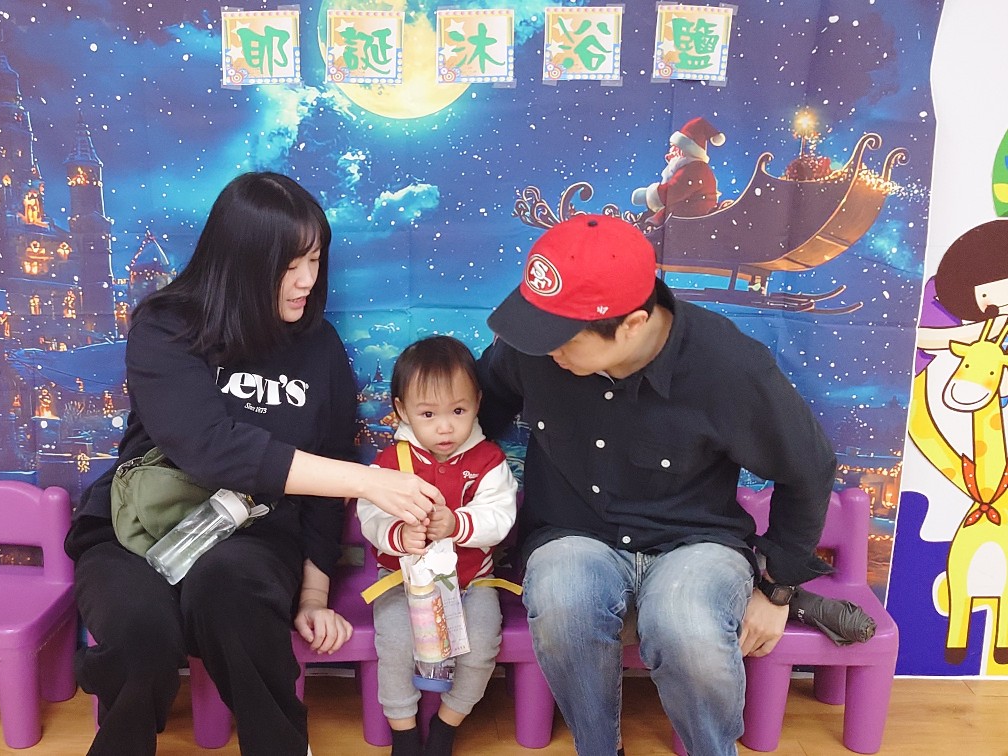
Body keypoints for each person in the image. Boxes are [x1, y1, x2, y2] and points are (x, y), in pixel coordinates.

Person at [67, 171, 445, 756]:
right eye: (289, 266)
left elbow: (327, 471)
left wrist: (314, 595)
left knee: (231, 592)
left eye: (314, 260)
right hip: (136, 527)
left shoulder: (319, 347)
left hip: (253, 534)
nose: (307, 280)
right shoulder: (166, 326)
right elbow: (210, 446)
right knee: (140, 631)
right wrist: (370, 480)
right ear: (241, 262)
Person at [477, 214, 836, 756]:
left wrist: (778, 589)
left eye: (561, 338)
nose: (547, 350)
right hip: (572, 532)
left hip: (696, 541)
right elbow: (475, 413)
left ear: (633, 324)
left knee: (686, 625)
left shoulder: (728, 365)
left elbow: (808, 467)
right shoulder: (530, 350)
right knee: (561, 601)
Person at [357, 336, 518, 756]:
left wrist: (458, 524)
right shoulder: (391, 463)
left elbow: (500, 516)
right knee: (394, 644)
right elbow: (369, 514)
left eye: (458, 411)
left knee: (482, 647)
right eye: (428, 414)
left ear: (477, 403)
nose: (445, 427)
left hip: (472, 582)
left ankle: (447, 723)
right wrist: (398, 535)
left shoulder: (489, 461)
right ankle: (404, 732)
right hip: (401, 579)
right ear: (401, 410)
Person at [631, 116, 725, 224]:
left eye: (674, 147)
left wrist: (648, 194)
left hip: (690, 218)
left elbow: (674, 190)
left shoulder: (695, 168)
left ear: (684, 151)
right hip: (688, 215)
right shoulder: (692, 167)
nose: (670, 154)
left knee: (658, 220)